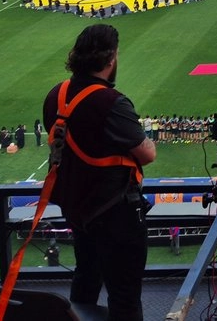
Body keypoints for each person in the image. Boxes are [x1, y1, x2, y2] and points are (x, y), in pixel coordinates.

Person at [43, 24, 156, 321]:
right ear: (110, 60)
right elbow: (147, 153)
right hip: (115, 210)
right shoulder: (111, 102)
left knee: (85, 280)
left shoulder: (56, 95)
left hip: (78, 207)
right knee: (125, 296)